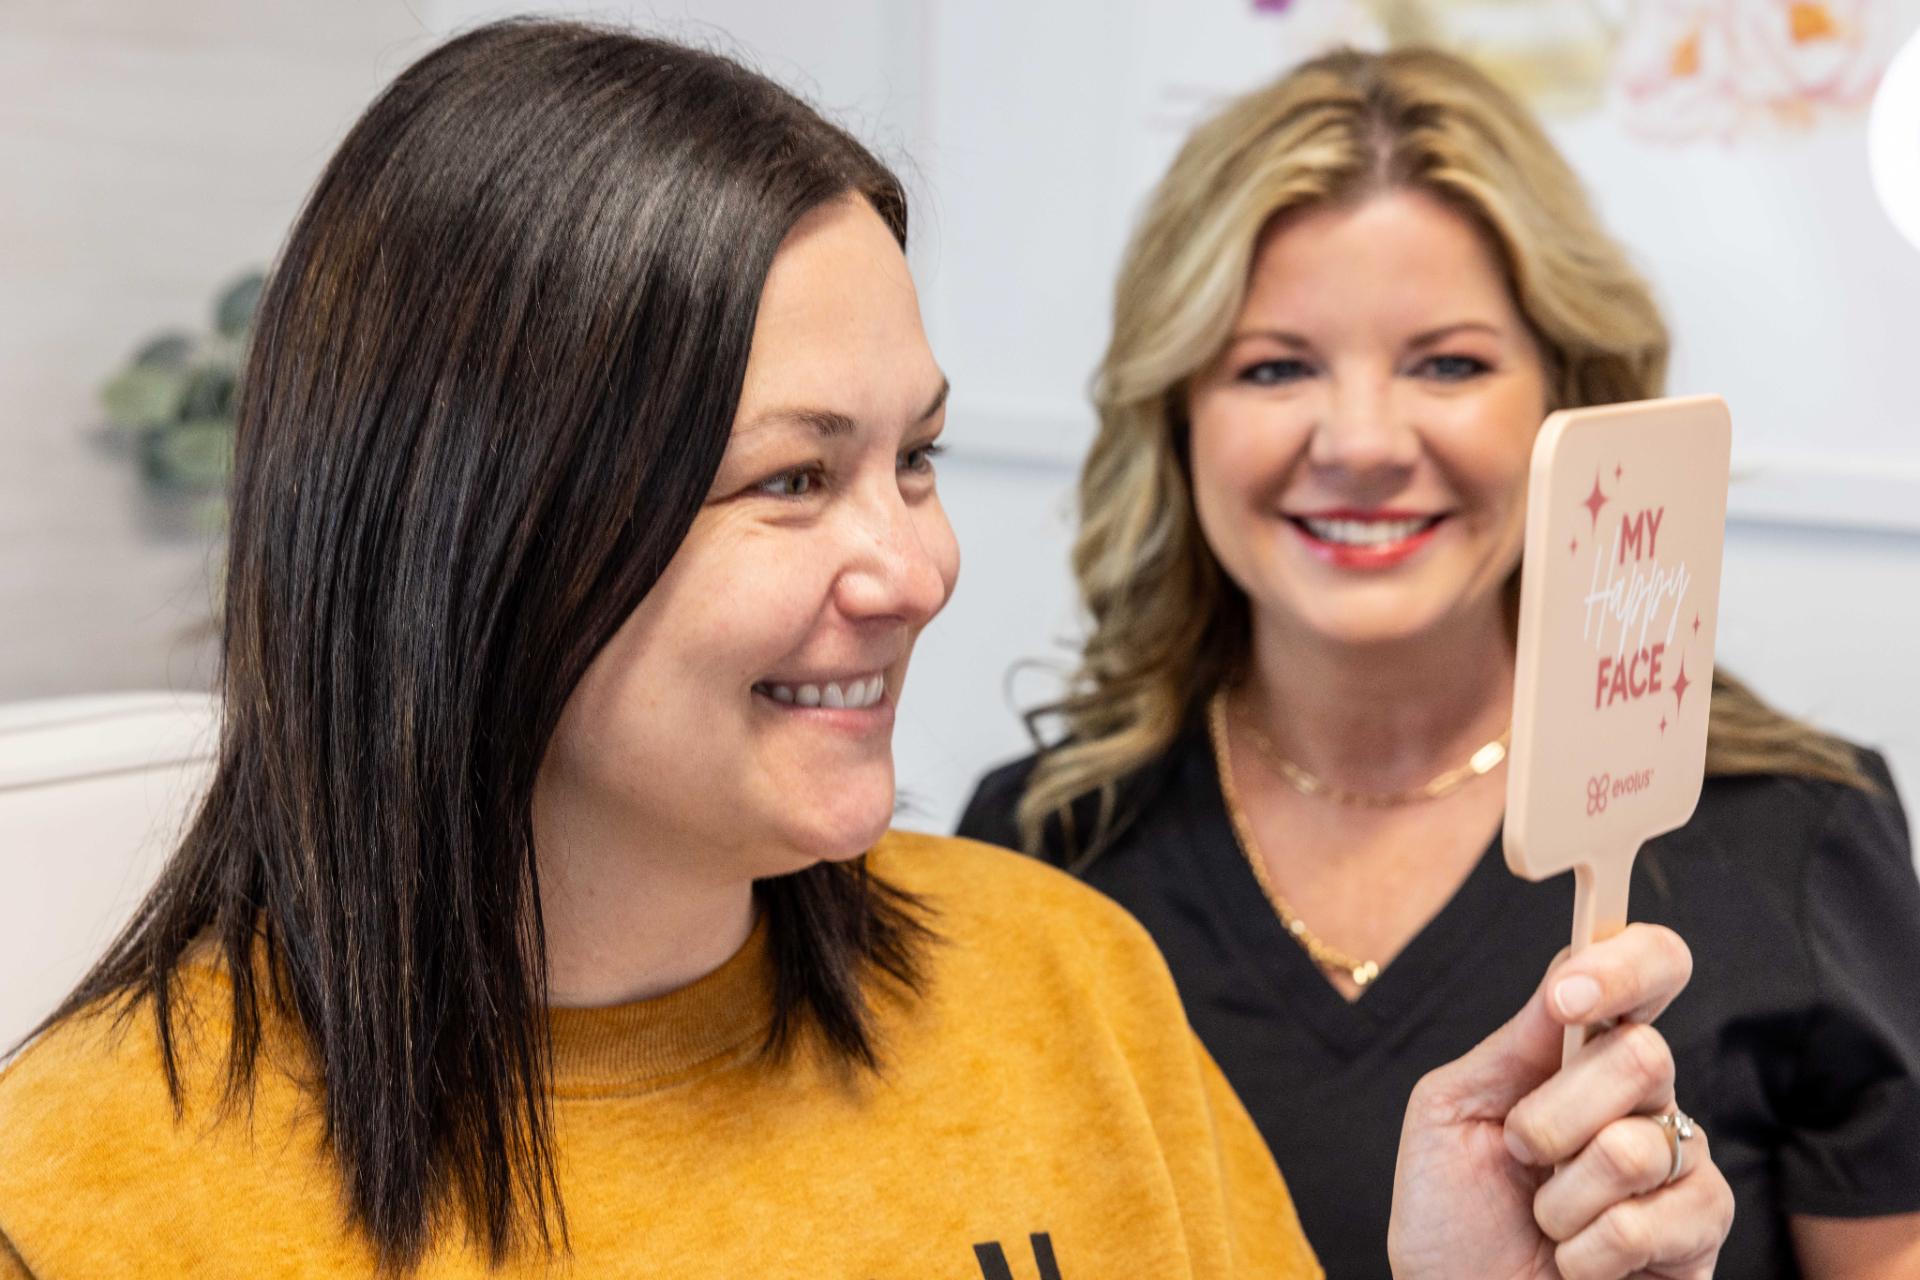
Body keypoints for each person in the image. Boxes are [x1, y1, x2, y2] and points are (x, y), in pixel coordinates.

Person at [0, 22, 1730, 1278]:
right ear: (484, 533)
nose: (915, 564)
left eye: (916, 460)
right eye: (793, 479)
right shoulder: (80, 1202)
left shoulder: (1068, 987)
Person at [958, 45, 1920, 1280]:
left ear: (1566, 398)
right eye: (1275, 365)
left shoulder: (1795, 837)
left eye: (1449, 363)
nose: (1361, 440)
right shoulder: (1039, 854)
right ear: (1176, 411)